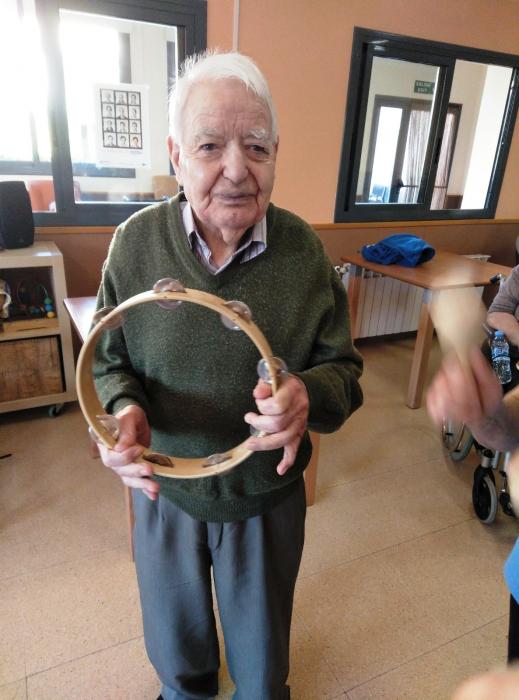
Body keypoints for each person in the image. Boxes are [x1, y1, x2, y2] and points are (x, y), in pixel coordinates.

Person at [93, 51, 363, 700]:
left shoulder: (305, 254)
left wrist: (307, 396)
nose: (237, 169)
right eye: (210, 145)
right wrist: (123, 408)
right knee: (176, 654)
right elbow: (105, 359)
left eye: (257, 146)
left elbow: (345, 373)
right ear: (176, 155)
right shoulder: (133, 244)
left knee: (262, 666)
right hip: (164, 491)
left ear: (276, 155)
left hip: (264, 496)